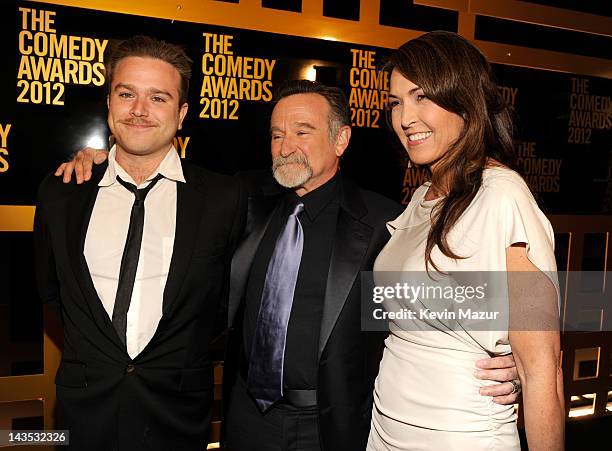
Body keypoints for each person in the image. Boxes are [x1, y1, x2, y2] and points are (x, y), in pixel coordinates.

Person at [56, 80, 522, 451]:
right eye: (277, 135)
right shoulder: (242, 201)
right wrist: (105, 158)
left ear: (341, 140)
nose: (285, 146)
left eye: (303, 132)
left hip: (331, 426)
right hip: (244, 420)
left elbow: (446, 304)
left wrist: (518, 358)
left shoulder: (387, 221)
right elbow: (163, 174)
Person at [35, 36, 245, 450]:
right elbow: (52, 292)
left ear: (182, 114)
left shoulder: (225, 198)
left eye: (159, 98)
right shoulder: (62, 192)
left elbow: (225, 305)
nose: (139, 110)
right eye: (127, 93)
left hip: (177, 419)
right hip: (83, 416)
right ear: (109, 103)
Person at [367, 31, 564, 451]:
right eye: (396, 102)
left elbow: (541, 368)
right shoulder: (420, 199)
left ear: (464, 101)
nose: (405, 117)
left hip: (461, 433)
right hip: (386, 426)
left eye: (422, 97)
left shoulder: (502, 196)